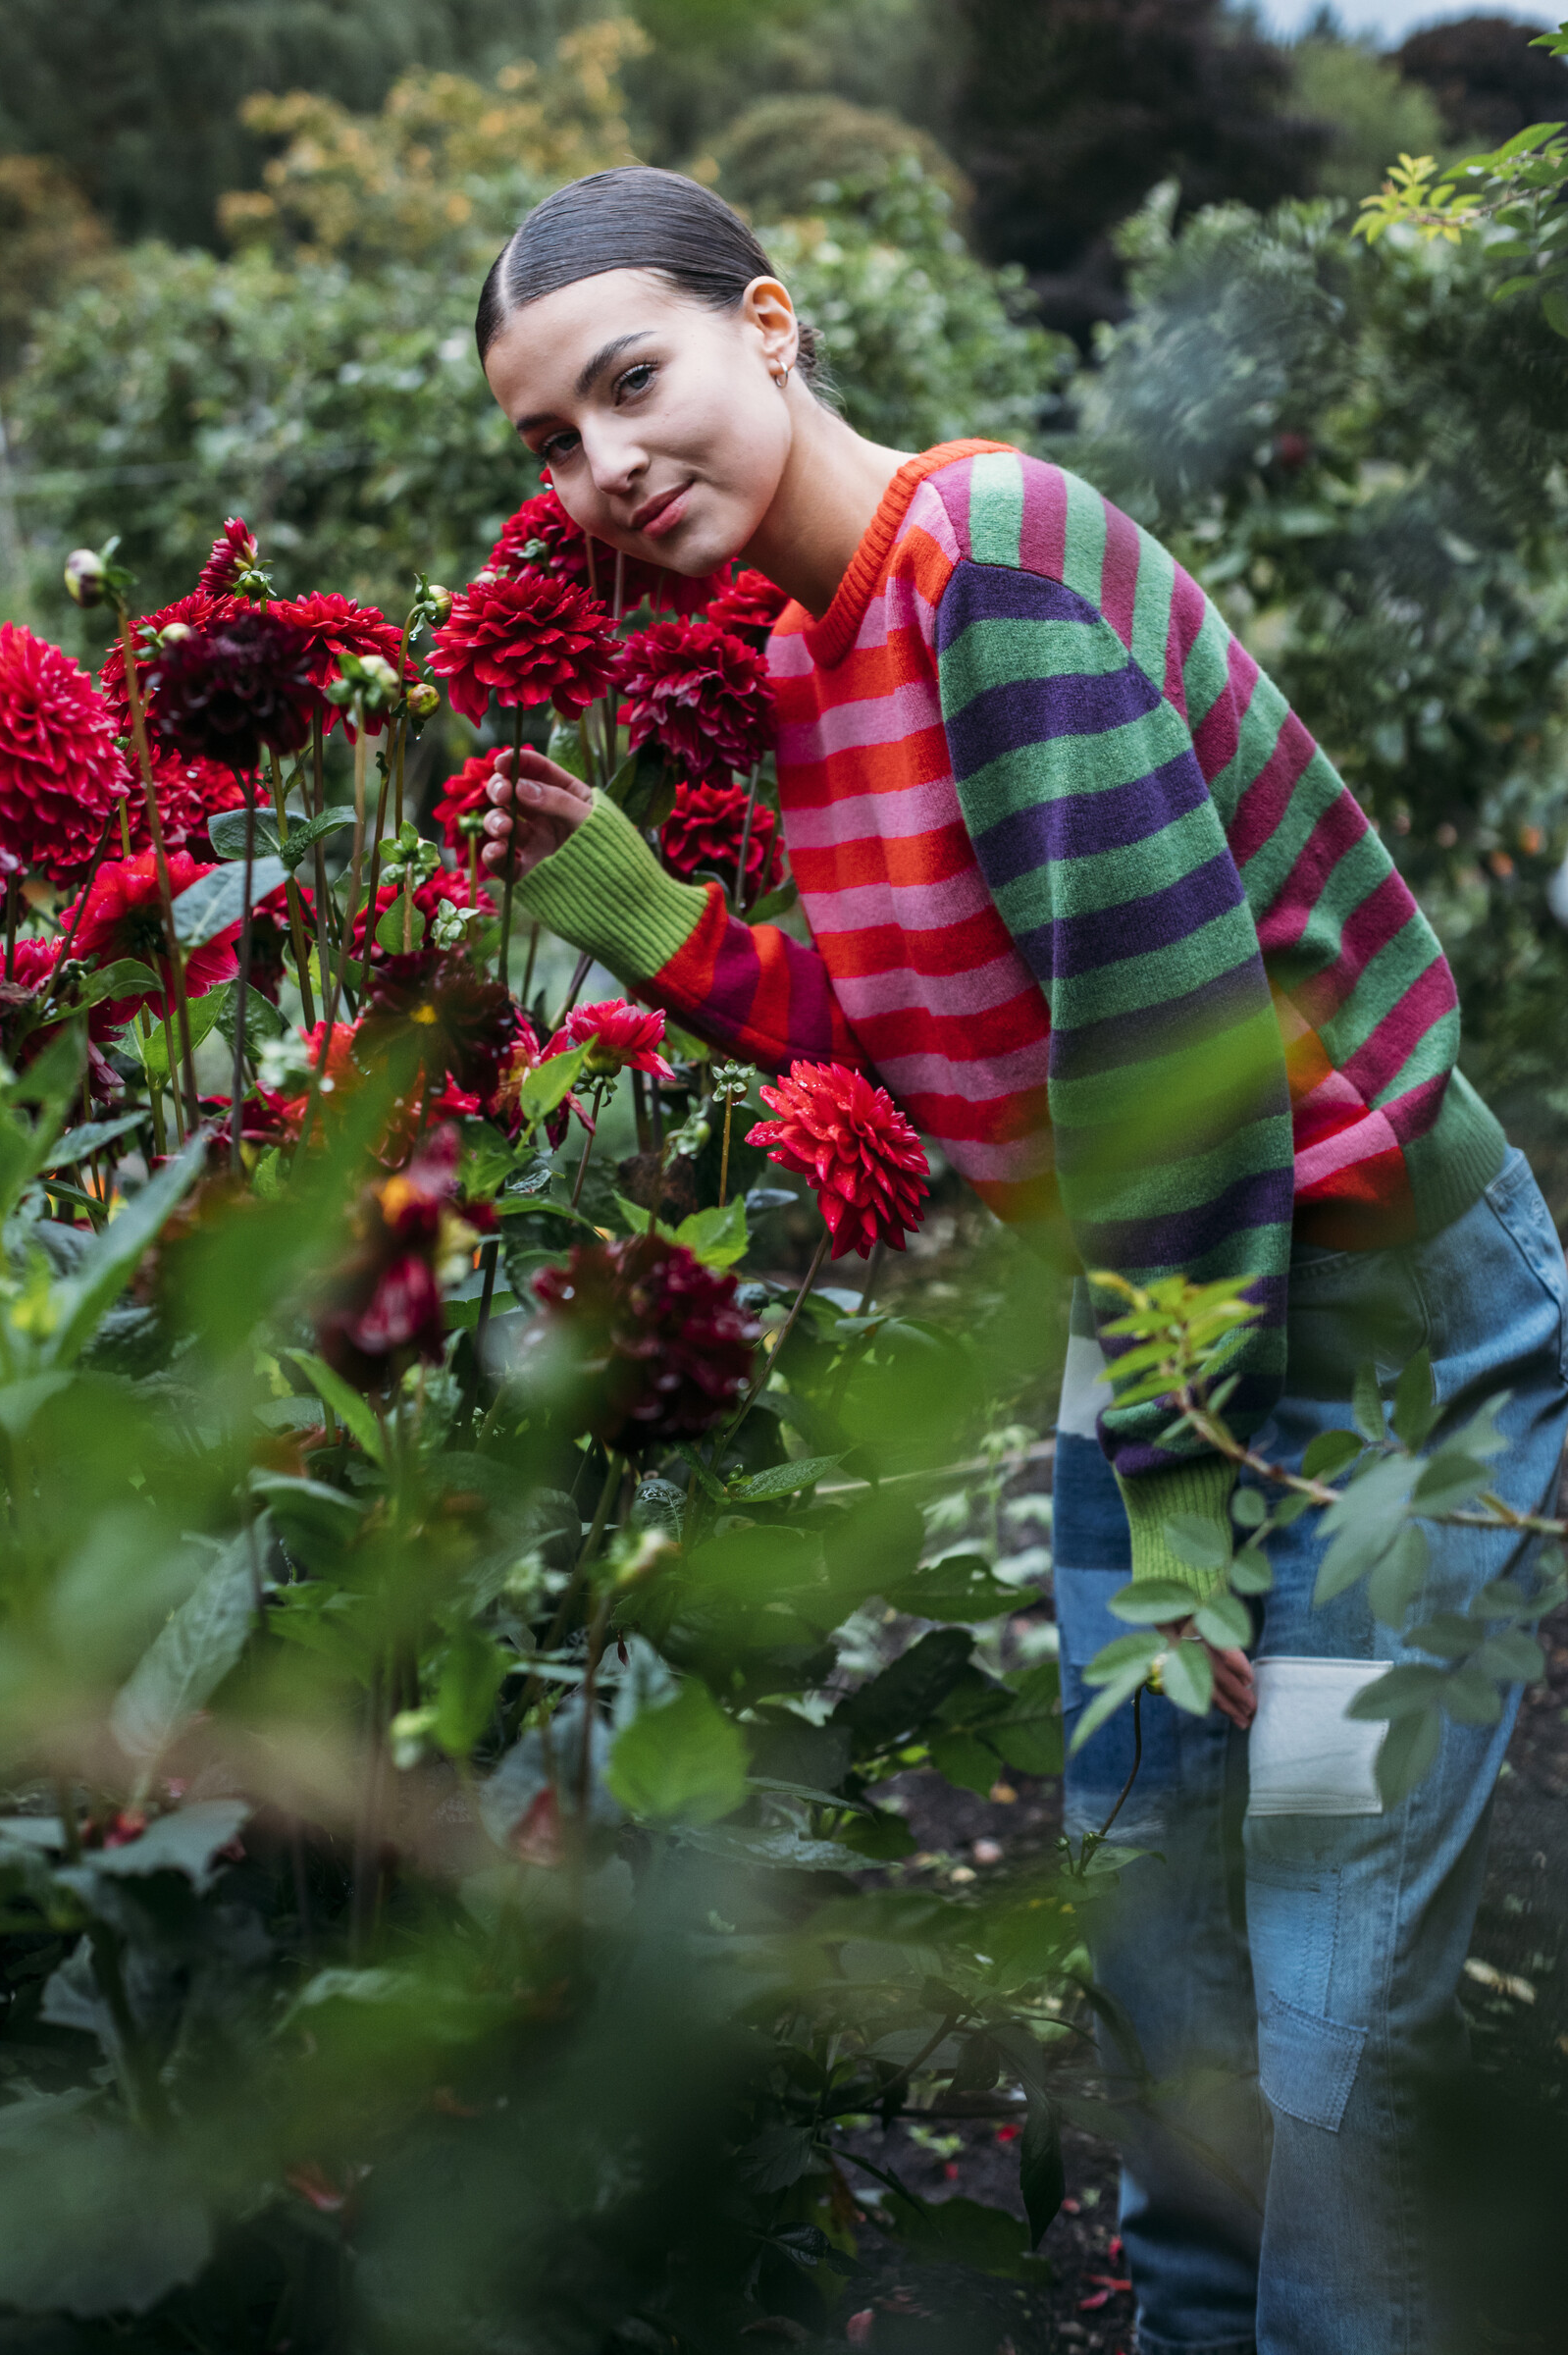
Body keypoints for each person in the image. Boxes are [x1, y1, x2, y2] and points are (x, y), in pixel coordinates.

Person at [472, 166, 1568, 2354]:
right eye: (546, 440)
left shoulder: (1001, 579)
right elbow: (935, 1024)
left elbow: (1180, 1088)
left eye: (631, 383)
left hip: (1361, 1346)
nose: (602, 468)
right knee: (1161, 1929)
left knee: (1326, 1983)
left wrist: (1181, 1527)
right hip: (1171, 1317)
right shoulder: (813, 641)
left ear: (764, 327)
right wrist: (655, 931)